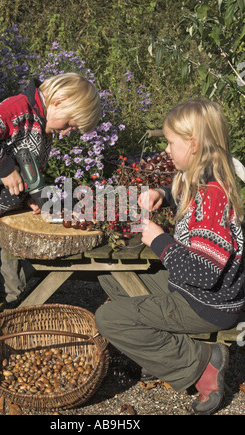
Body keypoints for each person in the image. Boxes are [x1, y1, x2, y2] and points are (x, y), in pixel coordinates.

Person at [95, 99, 245, 415]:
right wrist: (160, 194)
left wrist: (160, 241)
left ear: (192, 144)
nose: (166, 148)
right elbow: (179, 194)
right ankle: (159, 356)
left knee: (108, 318)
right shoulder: (199, 176)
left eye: (170, 142)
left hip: (208, 304)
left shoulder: (211, 196)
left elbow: (205, 273)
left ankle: (203, 364)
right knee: (109, 271)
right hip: (197, 292)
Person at [0, 72, 101, 307]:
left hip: (4, 216)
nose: (67, 132)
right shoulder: (19, 108)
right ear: (59, 101)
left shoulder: (44, 127)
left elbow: (29, 169)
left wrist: (30, 196)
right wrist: (5, 169)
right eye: (70, 124)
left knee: (13, 291)